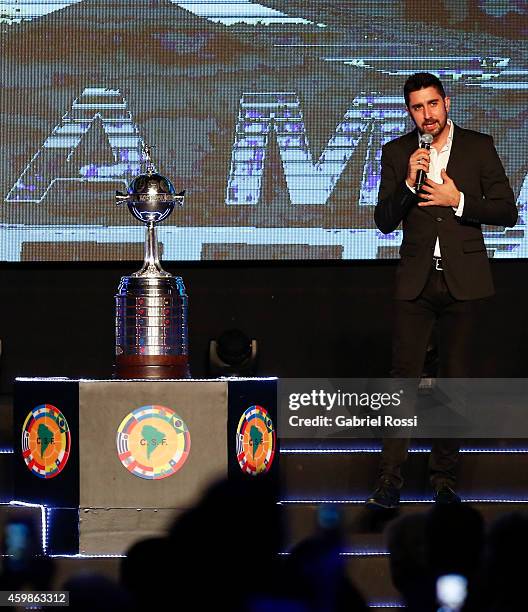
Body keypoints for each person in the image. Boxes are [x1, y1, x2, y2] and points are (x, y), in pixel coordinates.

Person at [366, 72, 517, 508]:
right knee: (403, 381)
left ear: (446, 103)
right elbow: (383, 220)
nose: (426, 115)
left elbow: (507, 210)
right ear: (409, 111)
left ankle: (443, 481)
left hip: (463, 281)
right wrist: (410, 186)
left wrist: (459, 201)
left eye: (433, 104)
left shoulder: (479, 146)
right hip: (416, 281)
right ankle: (389, 482)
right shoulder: (398, 152)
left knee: (455, 382)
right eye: (417, 107)